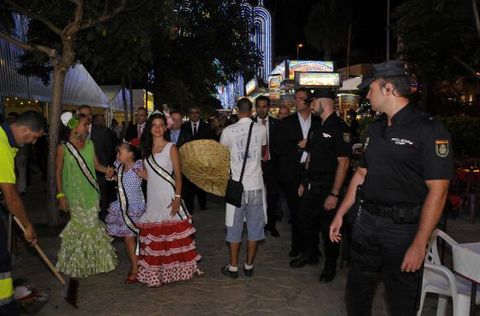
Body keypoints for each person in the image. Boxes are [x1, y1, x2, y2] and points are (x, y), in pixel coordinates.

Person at [329, 60, 453, 315]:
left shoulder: (428, 129)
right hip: (366, 223)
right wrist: (341, 213)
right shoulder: (374, 129)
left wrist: (420, 243)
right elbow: (361, 173)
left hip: (403, 230)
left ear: (388, 89)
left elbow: (438, 191)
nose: (367, 94)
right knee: (357, 292)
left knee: (400, 299)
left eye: (370, 88)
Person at [290, 89, 351, 284]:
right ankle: (311, 254)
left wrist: (334, 194)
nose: (311, 104)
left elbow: (344, 163)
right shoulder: (316, 127)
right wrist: (303, 181)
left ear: (324, 102)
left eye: (313, 101)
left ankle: (330, 266)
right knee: (304, 219)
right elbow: (309, 157)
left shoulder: (340, 128)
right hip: (312, 184)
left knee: (328, 229)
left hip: (329, 186)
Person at [136, 111, 202, 287]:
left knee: (173, 237)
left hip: (169, 196)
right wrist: (143, 175)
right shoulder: (146, 149)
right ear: (150, 128)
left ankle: (178, 271)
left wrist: (178, 198)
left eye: (161, 125)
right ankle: (158, 274)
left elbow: (178, 176)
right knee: (157, 239)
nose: (157, 128)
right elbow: (153, 175)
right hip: (153, 197)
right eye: (154, 125)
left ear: (165, 128)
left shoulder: (171, 147)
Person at [55, 112, 117, 278]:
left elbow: (97, 165)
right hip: (74, 195)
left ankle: (95, 262)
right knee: (81, 228)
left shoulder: (90, 144)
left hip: (91, 193)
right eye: (85, 124)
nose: (88, 127)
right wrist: (60, 196)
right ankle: (78, 263)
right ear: (74, 126)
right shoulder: (63, 148)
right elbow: (58, 173)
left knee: (93, 226)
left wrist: (108, 171)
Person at [0, 111, 42, 315]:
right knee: (1, 260)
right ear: (25, 130)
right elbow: (11, 197)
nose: (33, 143)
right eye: (33, 137)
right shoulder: (1, 144)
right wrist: (28, 226)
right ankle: (6, 307)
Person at [220, 98, 267, 278]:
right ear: (252, 110)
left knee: (234, 227)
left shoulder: (228, 131)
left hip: (236, 188)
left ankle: (233, 268)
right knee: (255, 228)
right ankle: (248, 266)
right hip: (255, 185)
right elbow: (263, 153)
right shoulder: (262, 129)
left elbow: (222, 158)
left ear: (237, 111)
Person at [273, 88, 320, 258]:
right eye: (296, 98)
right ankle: (297, 245)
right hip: (293, 172)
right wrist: (298, 145)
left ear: (308, 101)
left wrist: (310, 144)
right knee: (295, 211)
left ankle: (313, 247)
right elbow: (278, 147)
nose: (297, 101)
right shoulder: (287, 122)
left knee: (312, 212)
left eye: (300, 98)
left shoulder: (318, 121)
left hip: (313, 172)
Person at [105, 143, 145, 284]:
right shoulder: (120, 168)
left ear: (130, 154)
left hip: (135, 209)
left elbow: (150, 178)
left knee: (134, 240)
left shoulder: (138, 166)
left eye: (119, 152)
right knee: (129, 240)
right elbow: (121, 182)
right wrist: (111, 177)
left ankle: (138, 267)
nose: (117, 156)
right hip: (122, 209)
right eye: (117, 153)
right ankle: (135, 267)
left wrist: (145, 176)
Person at [78, 106, 116, 221]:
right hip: (80, 174)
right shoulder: (74, 133)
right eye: (83, 114)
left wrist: (105, 168)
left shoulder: (102, 131)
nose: (87, 117)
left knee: (101, 199)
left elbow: (109, 151)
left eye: (89, 114)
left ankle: (101, 221)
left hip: (99, 172)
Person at [252, 96, 280, 237]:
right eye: (259, 106)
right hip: (255, 166)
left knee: (273, 196)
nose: (261, 109)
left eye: (264, 106)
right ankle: (260, 224)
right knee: (257, 197)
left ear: (269, 107)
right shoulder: (250, 124)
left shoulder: (277, 124)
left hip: (272, 166)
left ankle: (271, 224)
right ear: (255, 108)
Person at [181, 106, 214, 212]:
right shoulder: (184, 126)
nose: (194, 115)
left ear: (199, 114)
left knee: (201, 184)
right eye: (192, 112)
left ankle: (202, 204)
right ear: (189, 114)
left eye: (196, 112)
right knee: (189, 184)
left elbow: (210, 143)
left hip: (202, 160)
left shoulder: (206, 127)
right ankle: (189, 206)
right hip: (188, 161)